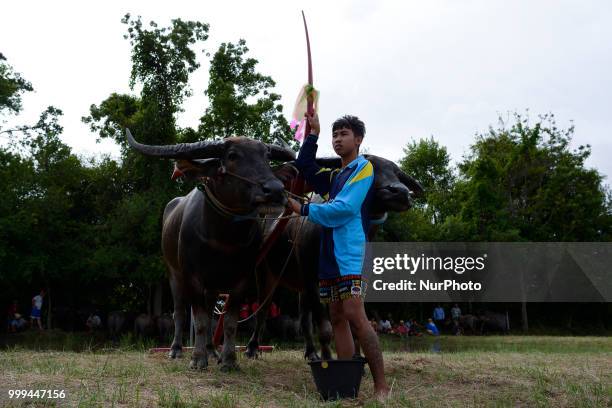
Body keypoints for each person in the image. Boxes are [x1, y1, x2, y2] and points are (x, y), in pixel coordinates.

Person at [287, 112, 390, 399]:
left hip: (349, 253)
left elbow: (344, 209)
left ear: (358, 139)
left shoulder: (363, 169)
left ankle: (381, 386)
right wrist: (313, 134)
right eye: (335, 135)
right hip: (329, 254)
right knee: (336, 315)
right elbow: (305, 166)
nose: (338, 139)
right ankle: (348, 385)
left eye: (343, 134)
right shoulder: (335, 176)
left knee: (356, 315)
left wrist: (303, 209)